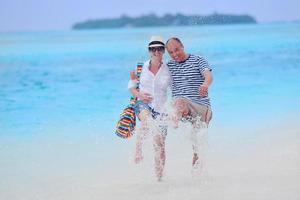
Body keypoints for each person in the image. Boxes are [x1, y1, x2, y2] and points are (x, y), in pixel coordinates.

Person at [128, 35, 171, 181]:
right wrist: (140, 95)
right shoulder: (140, 68)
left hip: (161, 109)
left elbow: (176, 90)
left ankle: (159, 178)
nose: (156, 52)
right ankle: (138, 150)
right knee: (146, 121)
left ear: (164, 51)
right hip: (143, 104)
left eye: (159, 49)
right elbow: (131, 88)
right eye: (153, 49)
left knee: (160, 147)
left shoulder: (168, 70)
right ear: (149, 51)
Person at [165, 37, 213, 168]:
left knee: (197, 149)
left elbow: (208, 75)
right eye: (171, 52)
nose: (175, 54)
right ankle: (175, 116)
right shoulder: (169, 66)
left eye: (177, 50)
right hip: (182, 108)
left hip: (201, 108)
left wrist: (205, 84)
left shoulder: (198, 60)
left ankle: (196, 176)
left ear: (182, 46)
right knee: (179, 101)